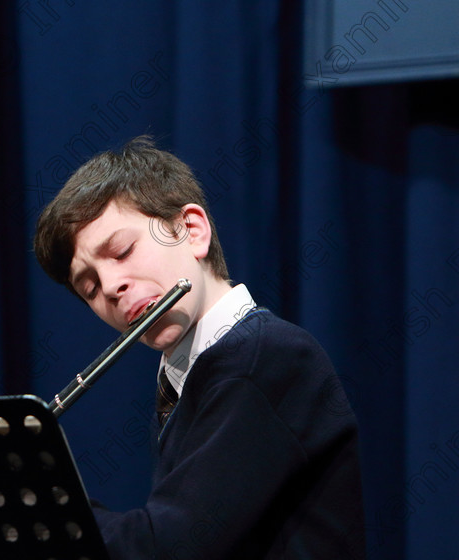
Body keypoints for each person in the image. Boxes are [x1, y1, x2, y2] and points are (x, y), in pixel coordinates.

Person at [33, 136, 365, 559]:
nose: (112, 288)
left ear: (192, 231)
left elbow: (171, 547)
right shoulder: (187, 375)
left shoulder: (262, 358)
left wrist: (42, 506)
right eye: (90, 286)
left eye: (122, 251)